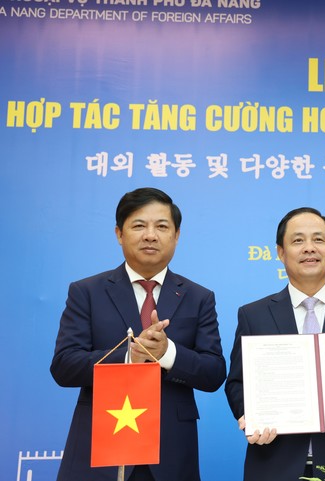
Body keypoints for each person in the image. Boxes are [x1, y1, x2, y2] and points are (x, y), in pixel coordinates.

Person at [50, 187, 227, 481]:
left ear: (176, 235)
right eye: (139, 226)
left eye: (162, 226)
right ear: (119, 234)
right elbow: (64, 366)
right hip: (102, 449)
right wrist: (129, 356)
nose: (150, 235)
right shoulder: (87, 292)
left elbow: (214, 373)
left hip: (170, 454)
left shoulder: (198, 297)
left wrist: (167, 354)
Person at [224, 207, 325, 481]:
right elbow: (237, 382)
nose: (309, 248)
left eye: (318, 239)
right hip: (272, 463)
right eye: (298, 240)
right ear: (280, 252)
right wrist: (250, 415)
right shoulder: (254, 315)